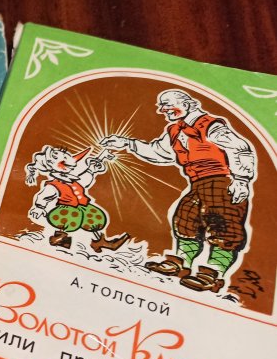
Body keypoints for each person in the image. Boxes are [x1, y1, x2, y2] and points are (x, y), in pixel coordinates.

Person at [102, 89, 256, 292]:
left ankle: (212, 273)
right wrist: (127, 143)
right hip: (197, 183)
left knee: (222, 224)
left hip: (222, 180)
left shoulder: (211, 126)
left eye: (168, 105)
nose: (163, 110)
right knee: (186, 218)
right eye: (161, 106)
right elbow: (158, 152)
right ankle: (180, 262)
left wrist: (241, 179)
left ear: (188, 104)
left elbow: (240, 148)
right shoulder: (174, 130)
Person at [24, 145, 128, 252]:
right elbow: (44, 196)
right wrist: (39, 207)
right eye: (65, 159)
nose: (72, 160)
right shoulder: (54, 185)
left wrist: (94, 166)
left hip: (82, 206)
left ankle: (99, 242)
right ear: (51, 164)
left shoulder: (73, 180)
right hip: (67, 209)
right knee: (68, 220)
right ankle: (59, 238)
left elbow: (85, 180)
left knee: (92, 220)